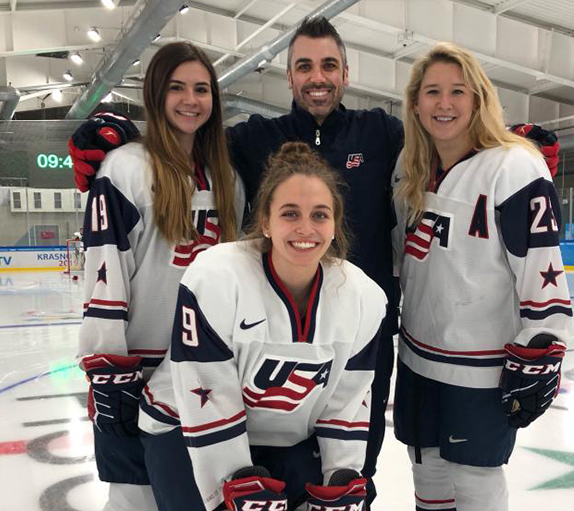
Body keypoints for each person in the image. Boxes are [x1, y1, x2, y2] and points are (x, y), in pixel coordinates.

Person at [70, 18, 403, 506]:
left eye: (328, 65)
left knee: (346, 478)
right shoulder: (251, 143)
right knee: (164, 489)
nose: (317, 76)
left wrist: (513, 151)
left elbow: (445, 142)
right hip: (199, 358)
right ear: (288, 77)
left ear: (346, 73)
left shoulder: (382, 133)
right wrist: (117, 139)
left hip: (341, 342)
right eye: (303, 66)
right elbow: (179, 137)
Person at [139, 141, 387, 511]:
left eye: (320, 215)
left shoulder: (363, 297)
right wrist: (233, 480)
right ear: (266, 223)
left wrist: (342, 475)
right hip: (184, 426)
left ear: (335, 225)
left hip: (286, 437)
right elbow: (206, 391)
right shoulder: (217, 277)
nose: (306, 228)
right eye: (290, 213)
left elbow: (348, 402)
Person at [391, 42, 571, 511]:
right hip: (416, 359)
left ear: (479, 99)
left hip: (479, 373)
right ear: (415, 103)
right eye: (432, 92)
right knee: (426, 474)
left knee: (475, 486)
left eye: (458, 91)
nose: (444, 103)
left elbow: (542, 268)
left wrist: (542, 341)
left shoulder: (513, 165)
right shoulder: (410, 168)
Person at [77, 42, 245, 511]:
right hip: (138, 369)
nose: (190, 100)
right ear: (155, 94)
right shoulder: (125, 168)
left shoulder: (227, 178)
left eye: (201, 89)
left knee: (200, 496)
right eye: (177, 88)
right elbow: (106, 274)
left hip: (205, 373)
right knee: (134, 499)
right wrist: (107, 368)